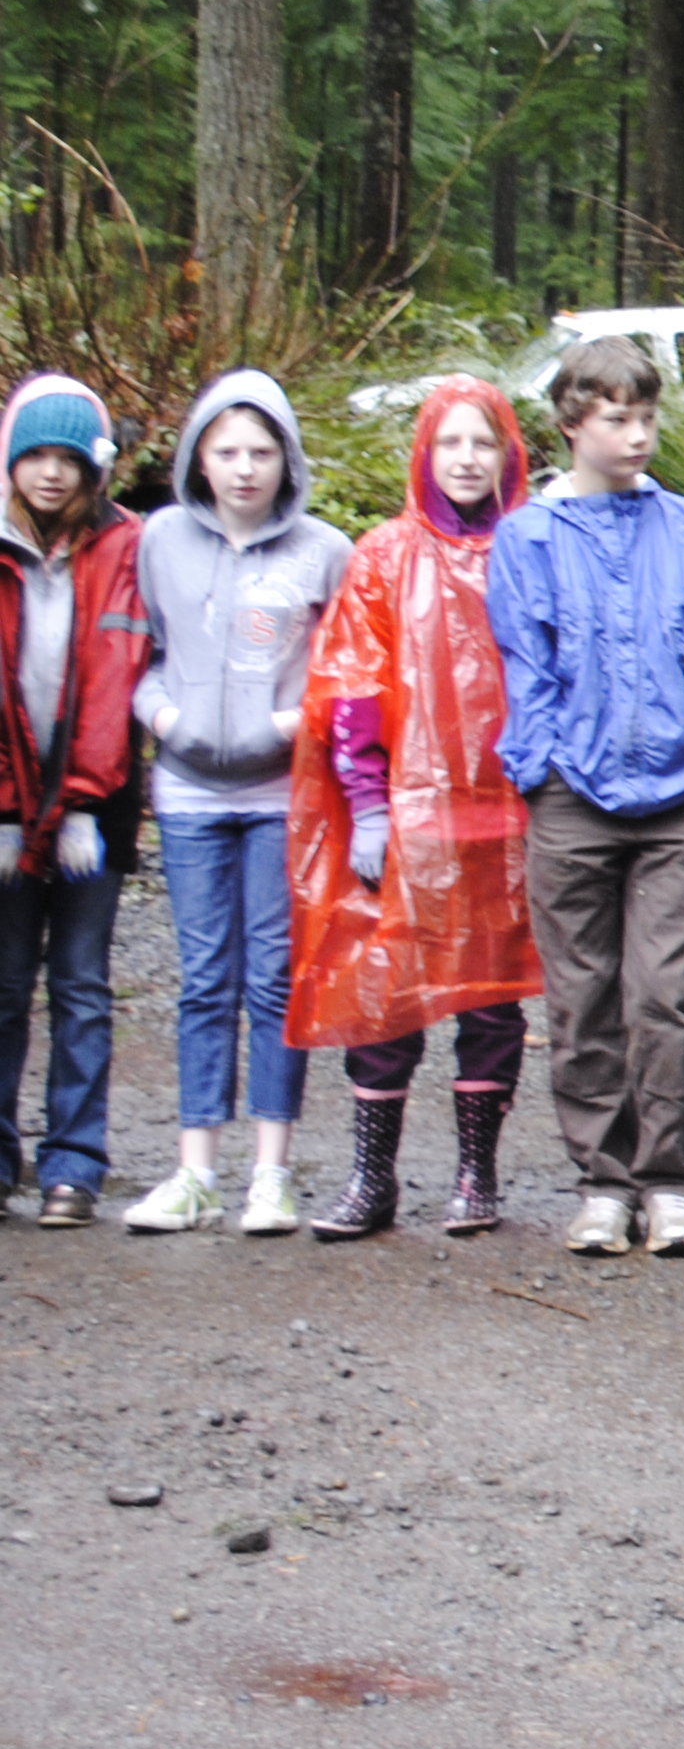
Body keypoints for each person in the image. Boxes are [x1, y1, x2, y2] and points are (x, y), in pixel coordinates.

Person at [487, 336, 684, 1258]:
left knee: (665, 998)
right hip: (571, 798)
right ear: (570, 424)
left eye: (648, 417)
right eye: (618, 419)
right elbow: (526, 664)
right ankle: (602, 1182)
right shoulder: (527, 538)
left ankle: (668, 1181)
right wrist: (542, 767)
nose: (638, 436)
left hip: (678, 797)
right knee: (581, 1000)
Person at [288, 376, 542, 1241]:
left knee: (491, 1000)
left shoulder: (530, 548)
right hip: (408, 819)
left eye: (483, 442)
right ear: (425, 454)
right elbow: (354, 688)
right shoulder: (385, 556)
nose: (467, 460)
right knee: (385, 992)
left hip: (506, 820)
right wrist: (366, 804)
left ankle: (478, 1175)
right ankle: (373, 1177)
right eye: (450, 443)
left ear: (509, 453)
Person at [129, 370, 352, 1235]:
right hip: (187, 792)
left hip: (278, 794)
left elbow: (347, 670)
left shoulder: (323, 552)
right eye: (227, 451)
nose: (245, 468)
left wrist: (292, 722)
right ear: (199, 458)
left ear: (287, 458)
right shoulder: (160, 540)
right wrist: (165, 717)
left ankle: (271, 1173)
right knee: (202, 980)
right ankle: (196, 1172)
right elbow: (140, 653)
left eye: (262, 451)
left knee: (273, 978)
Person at [0, 375, 146, 1227]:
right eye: (35, 456)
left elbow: (117, 677)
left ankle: (75, 1164)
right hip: (8, 800)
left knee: (82, 984)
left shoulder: (125, 544)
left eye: (67, 458)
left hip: (99, 799)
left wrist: (88, 798)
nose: (50, 474)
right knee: (5, 981)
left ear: (95, 467)